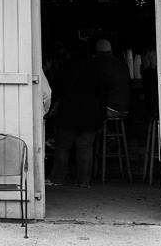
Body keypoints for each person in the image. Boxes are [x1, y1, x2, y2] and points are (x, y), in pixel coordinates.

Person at [48, 44, 104, 187]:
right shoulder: (96, 68)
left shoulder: (66, 68)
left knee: (62, 147)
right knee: (85, 148)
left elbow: (56, 90)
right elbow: (102, 92)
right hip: (90, 114)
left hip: (68, 113)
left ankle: (57, 179)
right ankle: (84, 181)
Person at [93, 38, 132, 118]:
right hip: (126, 108)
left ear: (97, 52)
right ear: (111, 51)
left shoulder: (98, 64)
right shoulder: (122, 64)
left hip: (109, 109)